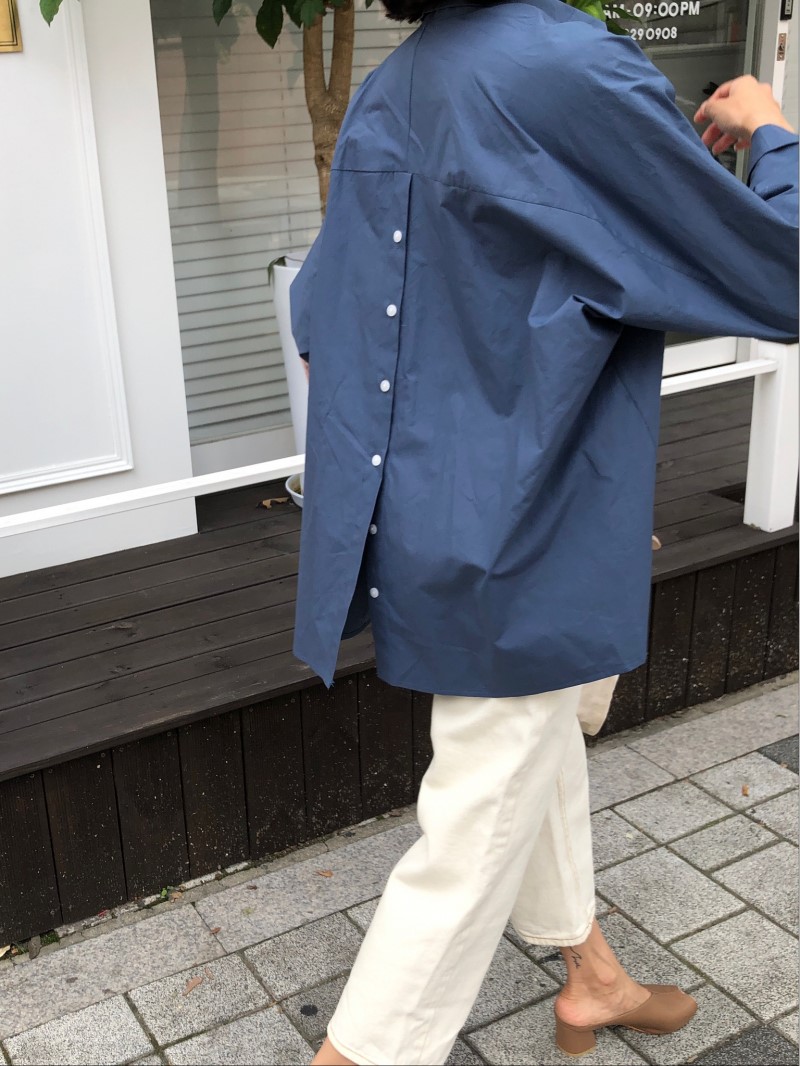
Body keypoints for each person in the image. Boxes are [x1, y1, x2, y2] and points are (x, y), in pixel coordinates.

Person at [289, 1, 799, 1063]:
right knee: (475, 822)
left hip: (421, 504)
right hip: (524, 513)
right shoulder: (570, 66)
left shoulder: (399, 79)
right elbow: (782, 274)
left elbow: (319, 311)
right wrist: (770, 131)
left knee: (532, 739)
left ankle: (593, 979)